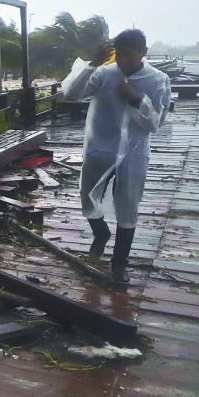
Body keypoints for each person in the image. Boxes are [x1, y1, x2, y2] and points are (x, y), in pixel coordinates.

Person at [61, 29, 171, 284]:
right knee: (88, 196)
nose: (124, 61)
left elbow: (156, 123)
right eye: (120, 56)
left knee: (128, 205)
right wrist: (94, 63)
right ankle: (100, 233)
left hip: (134, 154)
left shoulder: (157, 80)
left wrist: (136, 100)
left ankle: (119, 262)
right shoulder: (105, 73)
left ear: (144, 53)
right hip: (100, 148)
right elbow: (72, 93)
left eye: (131, 56)